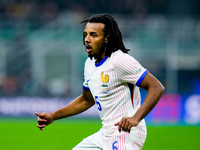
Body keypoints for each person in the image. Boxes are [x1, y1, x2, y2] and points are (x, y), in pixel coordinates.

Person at [35, 14, 165, 150]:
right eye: (85, 35)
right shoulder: (89, 64)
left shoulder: (120, 61)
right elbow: (86, 100)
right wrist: (53, 116)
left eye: (93, 35)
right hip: (105, 133)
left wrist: (135, 118)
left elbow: (156, 87)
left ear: (106, 39)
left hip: (125, 133)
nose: (87, 39)